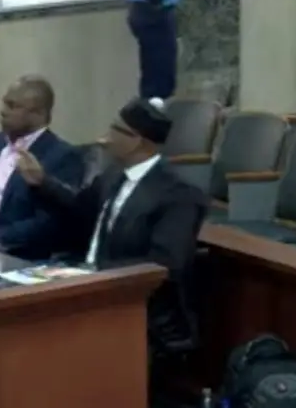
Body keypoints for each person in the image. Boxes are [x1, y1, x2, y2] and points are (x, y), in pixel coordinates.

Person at [15, 97, 208, 357]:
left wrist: (93, 274)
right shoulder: (113, 175)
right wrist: (41, 182)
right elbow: (80, 210)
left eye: (115, 129)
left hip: (138, 314)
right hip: (90, 291)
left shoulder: (179, 195)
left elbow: (165, 264)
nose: (104, 138)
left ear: (137, 140)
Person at [0, 76, 85, 261]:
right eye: (4, 103)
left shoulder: (61, 156)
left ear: (38, 113)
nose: (3, 111)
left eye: (12, 106)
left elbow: (46, 223)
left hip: (9, 254)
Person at [127, 0, 195, 100]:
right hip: (153, 13)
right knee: (160, 81)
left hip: (151, 10)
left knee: (157, 74)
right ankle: (153, 111)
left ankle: (152, 109)